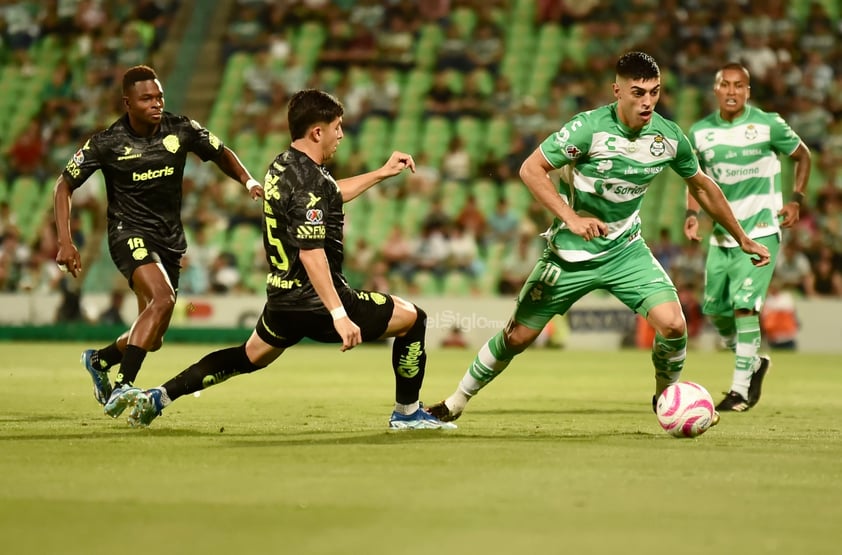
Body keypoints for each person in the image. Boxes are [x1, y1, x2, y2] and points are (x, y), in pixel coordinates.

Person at [425, 52, 770, 424]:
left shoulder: (668, 137)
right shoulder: (587, 129)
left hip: (626, 250)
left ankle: (667, 401)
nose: (647, 102)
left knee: (673, 325)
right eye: (637, 93)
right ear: (616, 90)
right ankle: (455, 402)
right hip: (570, 254)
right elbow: (531, 169)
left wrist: (743, 237)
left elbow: (702, 187)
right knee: (517, 338)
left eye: (654, 92)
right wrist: (570, 217)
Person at [112, 89, 456, 430]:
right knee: (414, 319)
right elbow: (311, 254)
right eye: (337, 126)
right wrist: (340, 314)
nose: (340, 134)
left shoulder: (283, 166)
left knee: (247, 356)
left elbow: (331, 193)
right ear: (316, 131)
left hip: (283, 299)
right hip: (319, 300)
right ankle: (407, 413)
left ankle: (158, 397)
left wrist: (381, 173)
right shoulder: (310, 183)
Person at [54, 65, 264, 415]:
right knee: (164, 299)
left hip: (169, 241)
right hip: (128, 233)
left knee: (152, 337)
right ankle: (124, 386)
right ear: (128, 103)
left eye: (159, 96)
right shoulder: (107, 143)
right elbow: (64, 184)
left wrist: (248, 181)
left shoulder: (180, 129)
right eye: (147, 98)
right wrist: (65, 240)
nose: (156, 103)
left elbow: (220, 151)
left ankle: (100, 360)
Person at [684, 62, 811, 412]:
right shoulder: (699, 133)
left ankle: (740, 391)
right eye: (725, 84)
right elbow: (695, 181)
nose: (732, 91)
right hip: (723, 235)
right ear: (715, 89)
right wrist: (692, 214)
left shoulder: (768, 123)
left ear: (748, 91)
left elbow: (803, 156)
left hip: (762, 229)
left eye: (739, 85)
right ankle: (753, 362)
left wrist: (796, 199)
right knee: (713, 308)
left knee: (745, 304)